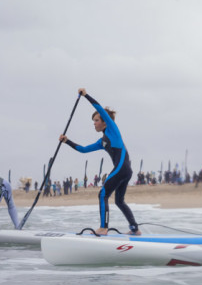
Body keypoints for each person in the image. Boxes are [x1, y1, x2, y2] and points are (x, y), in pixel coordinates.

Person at [60, 88, 141, 235]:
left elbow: (98, 107)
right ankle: (135, 229)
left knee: (103, 194)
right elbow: (83, 149)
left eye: (96, 120)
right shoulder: (102, 141)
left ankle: (103, 228)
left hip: (122, 168)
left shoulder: (112, 129)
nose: (94, 123)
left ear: (104, 122)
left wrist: (85, 96)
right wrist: (67, 141)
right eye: (94, 121)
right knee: (119, 201)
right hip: (125, 170)